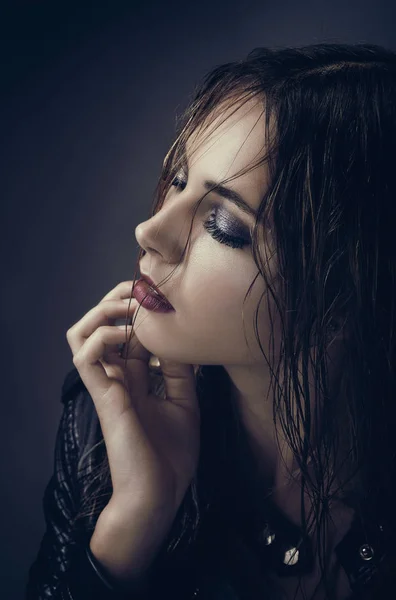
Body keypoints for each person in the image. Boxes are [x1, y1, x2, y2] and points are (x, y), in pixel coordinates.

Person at [25, 42, 396, 600]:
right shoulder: (105, 424)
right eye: (178, 182)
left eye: (222, 222)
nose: (150, 232)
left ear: (348, 289)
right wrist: (132, 523)